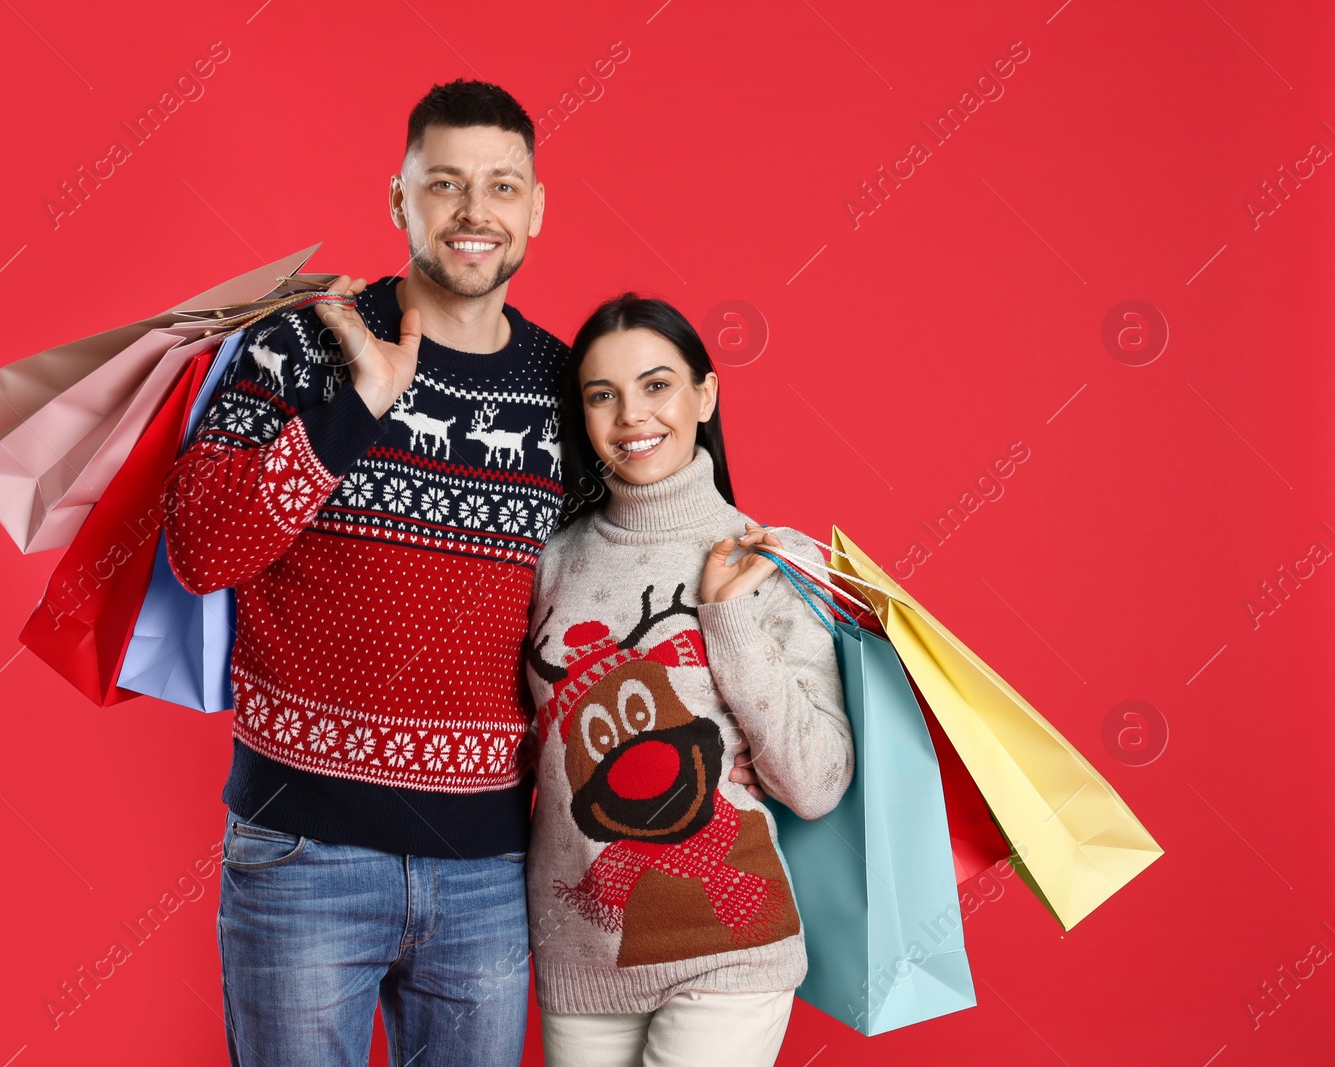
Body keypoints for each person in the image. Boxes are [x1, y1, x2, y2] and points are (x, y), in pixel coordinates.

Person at [161, 80, 569, 1067]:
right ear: (399, 200)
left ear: (535, 208)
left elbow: (608, 588)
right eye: (446, 184)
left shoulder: (564, 391)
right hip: (303, 854)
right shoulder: (297, 342)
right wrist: (355, 410)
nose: (476, 211)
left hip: (486, 869)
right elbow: (203, 550)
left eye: (501, 186)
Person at [522, 294, 856, 1067]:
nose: (632, 415)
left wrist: (727, 621)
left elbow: (817, 782)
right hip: (581, 955)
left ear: (705, 394)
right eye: (603, 394)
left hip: (732, 944)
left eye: (657, 384)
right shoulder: (547, 561)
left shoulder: (777, 561)